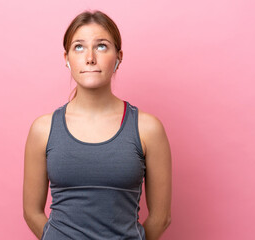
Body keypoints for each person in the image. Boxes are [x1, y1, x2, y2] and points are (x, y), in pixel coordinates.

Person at [23, 10, 172, 240]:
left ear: (119, 57)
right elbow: (31, 212)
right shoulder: (43, 130)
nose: (90, 57)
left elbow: (161, 218)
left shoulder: (147, 129)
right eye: (79, 47)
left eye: (101, 46)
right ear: (66, 59)